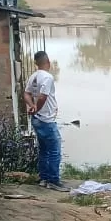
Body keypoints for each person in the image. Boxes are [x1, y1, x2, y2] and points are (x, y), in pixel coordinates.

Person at [24, 51, 69, 192]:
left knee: (43, 150)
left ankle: (43, 178)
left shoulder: (33, 76)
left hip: (36, 119)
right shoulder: (48, 77)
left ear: (36, 63)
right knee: (55, 150)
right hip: (46, 120)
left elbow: (26, 93)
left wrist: (32, 106)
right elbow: (43, 97)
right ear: (48, 62)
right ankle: (53, 180)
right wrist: (36, 108)